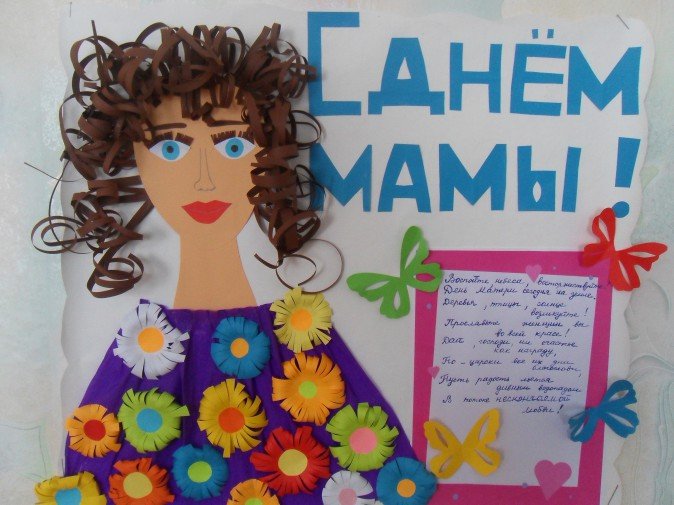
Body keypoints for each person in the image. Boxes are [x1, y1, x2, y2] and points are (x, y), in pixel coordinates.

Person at [34, 23, 437, 505]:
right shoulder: (141, 352)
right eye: (170, 148)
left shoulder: (303, 345)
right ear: (135, 159)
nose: (204, 179)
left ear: (269, 155)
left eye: (234, 145)